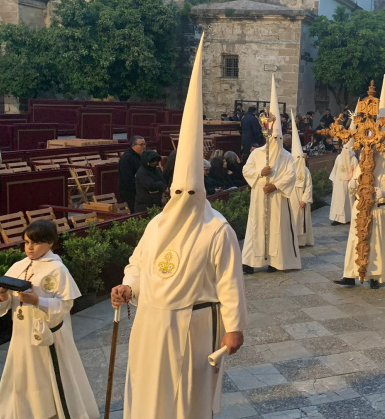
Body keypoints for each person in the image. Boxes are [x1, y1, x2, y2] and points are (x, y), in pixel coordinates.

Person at [110, 35, 246, 419]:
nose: (183, 198)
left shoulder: (216, 229)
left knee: (186, 397)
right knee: (150, 392)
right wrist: (128, 286)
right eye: (178, 191)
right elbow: (138, 264)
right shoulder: (157, 224)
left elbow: (230, 281)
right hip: (150, 321)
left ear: (201, 192)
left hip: (193, 324)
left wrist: (234, 327)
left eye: (191, 192)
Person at [0, 220, 99, 419]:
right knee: (23, 376)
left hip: (47, 336)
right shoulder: (18, 266)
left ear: (50, 243)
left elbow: (66, 305)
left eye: (35, 243)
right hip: (21, 334)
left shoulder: (57, 270)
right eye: (26, 242)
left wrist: (37, 301)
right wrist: (3, 295)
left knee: (48, 378)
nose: (29, 248)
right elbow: (1, 306)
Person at [241, 77, 301, 274]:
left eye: (279, 138)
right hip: (259, 197)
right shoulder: (257, 154)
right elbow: (246, 170)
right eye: (273, 137)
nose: (276, 140)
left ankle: (275, 261)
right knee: (256, 226)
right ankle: (250, 261)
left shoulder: (286, 156)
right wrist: (260, 173)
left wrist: (274, 185)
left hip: (277, 198)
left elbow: (291, 175)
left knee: (276, 229)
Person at [334, 148, 385, 289]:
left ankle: (374, 276)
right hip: (360, 209)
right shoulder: (362, 166)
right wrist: (352, 184)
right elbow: (355, 181)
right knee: (354, 241)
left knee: (376, 243)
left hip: (379, 210)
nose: (370, 154)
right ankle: (349, 275)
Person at [289, 113, 314, 247]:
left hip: (302, 197)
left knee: (302, 220)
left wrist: (305, 199)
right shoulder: (289, 169)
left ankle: (303, 241)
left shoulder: (305, 170)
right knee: (292, 218)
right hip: (291, 197)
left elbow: (309, 186)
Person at [329, 138, 358, 225]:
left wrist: (353, 182)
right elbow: (335, 169)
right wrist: (333, 180)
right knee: (337, 201)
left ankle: (348, 218)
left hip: (348, 183)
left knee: (348, 201)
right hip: (338, 182)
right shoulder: (338, 157)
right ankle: (337, 219)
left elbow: (356, 173)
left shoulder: (353, 159)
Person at [118, 136, 145, 212]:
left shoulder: (141, 156)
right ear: (134, 145)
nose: (144, 147)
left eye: (145, 144)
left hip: (140, 190)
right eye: (141, 145)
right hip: (130, 191)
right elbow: (127, 177)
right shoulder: (127, 158)